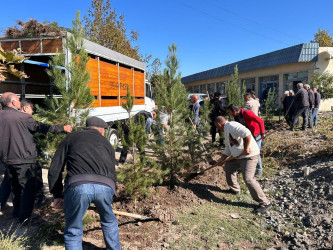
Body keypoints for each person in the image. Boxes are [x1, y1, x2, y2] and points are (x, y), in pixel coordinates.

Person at [48, 116, 120, 250]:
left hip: (78, 185)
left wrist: (57, 194)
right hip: (105, 186)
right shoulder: (106, 143)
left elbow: (55, 168)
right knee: (109, 222)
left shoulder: (71, 137)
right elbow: (112, 171)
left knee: (73, 230)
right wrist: (106, 201)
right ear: (102, 131)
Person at [0, 92, 72, 222]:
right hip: (24, 159)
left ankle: (17, 213)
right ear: (13, 103)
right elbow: (42, 127)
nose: (19, 102)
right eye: (18, 100)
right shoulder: (22, 117)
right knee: (27, 189)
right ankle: (25, 218)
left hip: (7, 160)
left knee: (15, 188)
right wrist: (63, 128)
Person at [214, 116, 271, 213]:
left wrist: (246, 148)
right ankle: (235, 189)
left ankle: (265, 202)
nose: (218, 129)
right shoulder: (227, 131)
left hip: (249, 156)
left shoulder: (232, 125)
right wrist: (222, 159)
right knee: (229, 169)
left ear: (219, 124)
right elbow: (228, 148)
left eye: (217, 127)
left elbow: (247, 134)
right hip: (237, 156)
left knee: (248, 179)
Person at [227, 104, 265, 177]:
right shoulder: (236, 116)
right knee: (244, 150)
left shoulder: (247, 113)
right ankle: (244, 167)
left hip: (255, 134)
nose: (230, 114)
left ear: (234, 111)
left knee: (255, 152)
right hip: (247, 135)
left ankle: (259, 170)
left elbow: (260, 121)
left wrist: (262, 133)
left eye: (230, 112)